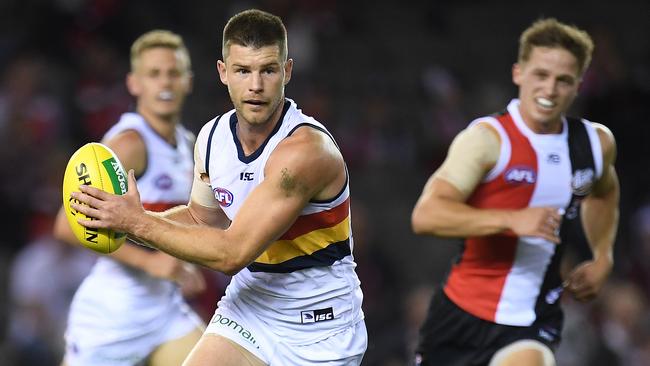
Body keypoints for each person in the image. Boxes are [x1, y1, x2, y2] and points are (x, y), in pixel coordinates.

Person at [69, 9, 367, 366]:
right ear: (223, 73)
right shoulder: (211, 139)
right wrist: (128, 218)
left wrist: (135, 223)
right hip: (250, 309)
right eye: (243, 70)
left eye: (268, 70)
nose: (255, 85)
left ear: (287, 71)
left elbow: (231, 253)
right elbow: (202, 218)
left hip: (319, 328)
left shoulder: (305, 152)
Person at [410, 18, 619, 366]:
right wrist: (512, 219)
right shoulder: (488, 140)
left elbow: (604, 193)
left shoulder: (595, 144)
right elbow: (426, 215)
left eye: (563, 80)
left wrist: (602, 258)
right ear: (518, 73)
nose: (550, 90)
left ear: (578, 86)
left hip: (533, 319)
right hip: (461, 316)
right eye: (540, 75)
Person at [54, 30, 207, 366]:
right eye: (154, 74)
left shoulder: (187, 143)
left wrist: (187, 261)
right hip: (114, 315)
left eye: (174, 72)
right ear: (134, 83)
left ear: (188, 81)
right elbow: (66, 225)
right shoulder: (130, 144)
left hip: (165, 311)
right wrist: (152, 263)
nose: (165, 82)